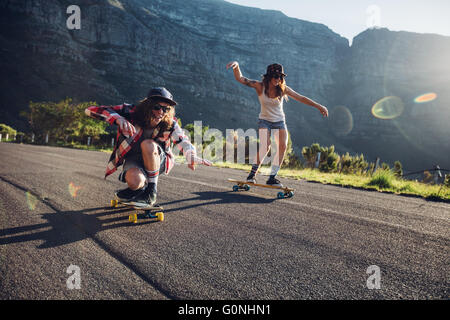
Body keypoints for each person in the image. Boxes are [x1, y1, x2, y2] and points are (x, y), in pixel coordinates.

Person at [85, 87, 211, 206]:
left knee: (148, 145)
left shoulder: (170, 123)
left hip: (158, 159)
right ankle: (137, 190)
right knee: (135, 182)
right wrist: (118, 118)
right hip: (135, 159)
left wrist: (191, 155)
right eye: (156, 107)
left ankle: (151, 192)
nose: (161, 112)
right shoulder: (130, 112)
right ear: (147, 106)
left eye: (165, 109)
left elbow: (183, 141)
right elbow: (89, 110)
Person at [226, 61, 328, 186]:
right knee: (265, 146)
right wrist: (236, 66)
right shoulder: (260, 86)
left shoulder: (283, 89)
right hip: (264, 121)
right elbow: (241, 79)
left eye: (280, 77)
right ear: (269, 76)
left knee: (283, 146)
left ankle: (272, 178)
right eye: (275, 76)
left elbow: (301, 98)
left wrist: (319, 106)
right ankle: (252, 175)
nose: (278, 79)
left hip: (279, 122)